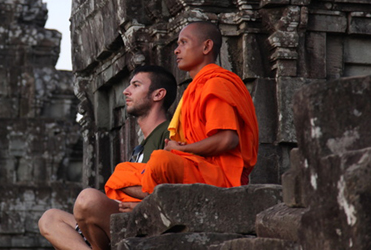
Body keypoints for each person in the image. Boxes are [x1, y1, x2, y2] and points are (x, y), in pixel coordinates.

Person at [57, 21, 259, 250]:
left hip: (218, 176)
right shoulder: (194, 89)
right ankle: (150, 199)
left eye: (184, 42)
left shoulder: (217, 82)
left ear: (206, 47)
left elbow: (227, 139)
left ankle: (149, 202)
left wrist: (182, 150)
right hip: (193, 168)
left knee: (161, 159)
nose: (176, 49)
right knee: (121, 172)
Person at [37, 65, 178, 250]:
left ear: (158, 94)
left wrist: (141, 203)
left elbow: (174, 188)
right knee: (50, 219)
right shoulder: (141, 145)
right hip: (120, 216)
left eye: (135, 85)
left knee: (88, 199)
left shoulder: (170, 135)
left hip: (145, 219)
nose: (126, 92)